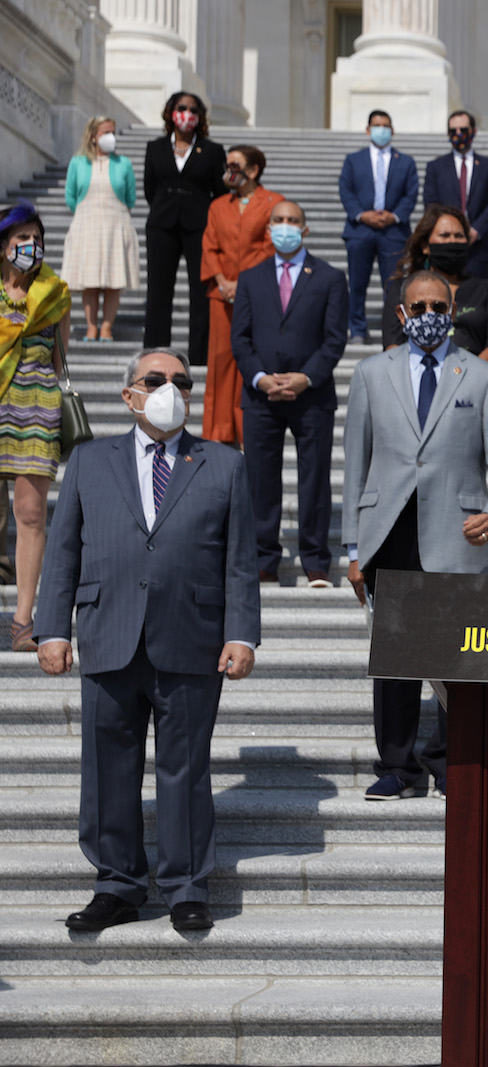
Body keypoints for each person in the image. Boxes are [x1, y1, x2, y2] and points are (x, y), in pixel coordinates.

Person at [36, 347, 260, 933]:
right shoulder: (88, 460)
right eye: (156, 380)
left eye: (181, 382)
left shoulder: (224, 463)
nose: (171, 390)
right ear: (128, 394)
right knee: (108, 767)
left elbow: (240, 560)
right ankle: (117, 884)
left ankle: (185, 885)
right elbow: (63, 549)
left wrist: (242, 634)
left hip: (191, 636)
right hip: (108, 631)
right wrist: (53, 627)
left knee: (185, 768)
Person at [344, 270, 488, 799]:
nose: (428, 314)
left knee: (458, 655)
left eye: (438, 305)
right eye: (418, 305)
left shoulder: (482, 376)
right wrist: (354, 548)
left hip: (458, 534)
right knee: (395, 656)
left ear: (454, 310)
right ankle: (398, 766)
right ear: (402, 314)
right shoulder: (371, 373)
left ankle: (454, 761)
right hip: (388, 533)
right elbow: (356, 464)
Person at [230, 199, 349, 587]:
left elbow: (334, 340)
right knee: (260, 479)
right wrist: (261, 378)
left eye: (293, 220)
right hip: (261, 396)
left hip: (311, 395)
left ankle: (316, 560)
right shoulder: (249, 277)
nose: (285, 226)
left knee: (314, 479)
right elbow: (241, 338)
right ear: (268, 230)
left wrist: (305, 377)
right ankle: (264, 559)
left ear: (306, 228)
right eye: (278, 220)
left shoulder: (330, 277)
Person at [0, 202, 71, 651]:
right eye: (21, 239)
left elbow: (62, 361)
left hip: (37, 407)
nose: (31, 246)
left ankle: (23, 619)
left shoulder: (57, 293)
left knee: (29, 515)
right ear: (4, 248)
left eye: (36, 238)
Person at [199, 145, 284, 446]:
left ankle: (249, 428)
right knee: (220, 361)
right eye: (228, 164)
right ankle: (217, 431)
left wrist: (242, 282)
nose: (229, 170)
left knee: (252, 360)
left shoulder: (274, 203)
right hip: (221, 296)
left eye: (235, 164)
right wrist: (222, 281)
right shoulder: (218, 205)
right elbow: (209, 245)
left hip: (256, 295)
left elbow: (268, 248)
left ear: (253, 170)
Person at [142, 92, 226, 363]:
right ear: (170, 112)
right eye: (181, 108)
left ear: (200, 117)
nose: (186, 114)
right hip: (162, 224)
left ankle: (199, 356)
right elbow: (150, 188)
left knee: (200, 292)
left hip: (198, 225)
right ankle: (155, 352)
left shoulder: (212, 150)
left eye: (193, 109)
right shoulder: (155, 147)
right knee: (158, 290)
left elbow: (220, 191)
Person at [381, 204, 488, 363]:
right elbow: (392, 344)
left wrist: (467, 375)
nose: (452, 241)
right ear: (425, 246)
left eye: (459, 236)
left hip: (474, 381)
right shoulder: (402, 288)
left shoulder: (484, 290)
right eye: (445, 235)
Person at [339, 110, 418, 344]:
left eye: (385, 126)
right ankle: (358, 329)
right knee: (357, 283)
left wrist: (393, 216)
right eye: (376, 125)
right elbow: (346, 190)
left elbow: (410, 194)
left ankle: (393, 330)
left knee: (394, 285)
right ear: (367, 129)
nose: (381, 130)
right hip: (360, 231)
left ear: (392, 130)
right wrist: (362, 215)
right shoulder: (353, 160)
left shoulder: (405, 161)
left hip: (393, 232)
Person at [61, 115, 138, 343]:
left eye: (113, 132)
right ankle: (91, 327)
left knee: (113, 281)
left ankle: (107, 327)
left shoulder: (123, 163)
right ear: (94, 136)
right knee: (90, 280)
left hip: (116, 222)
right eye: (106, 132)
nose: (111, 137)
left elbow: (131, 197)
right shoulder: (78, 162)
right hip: (87, 223)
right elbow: (71, 196)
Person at [421, 110, 488, 280]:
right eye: (453, 131)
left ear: (473, 131)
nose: (458, 135)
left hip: (478, 248)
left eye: (463, 130)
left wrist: (475, 231)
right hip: (444, 247)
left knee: (476, 301)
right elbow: (431, 203)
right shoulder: (435, 167)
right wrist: (450, 231)